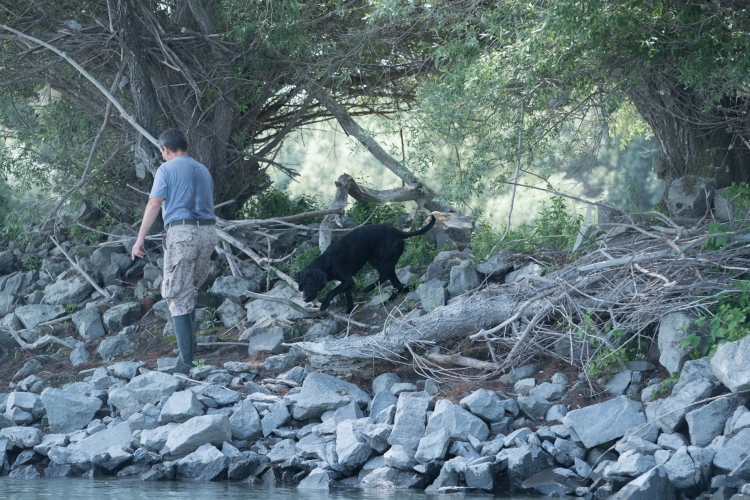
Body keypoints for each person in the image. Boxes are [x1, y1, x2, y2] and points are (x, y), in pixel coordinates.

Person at [131, 129, 217, 371]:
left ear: (165, 149)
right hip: (209, 233)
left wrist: (140, 240)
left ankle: (186, 363)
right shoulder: (203, 170)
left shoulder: (166, 169)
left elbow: (154, 203)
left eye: (161, 151)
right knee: (187, 290)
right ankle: (191, 357)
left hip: (183, 233)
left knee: (176, 294)